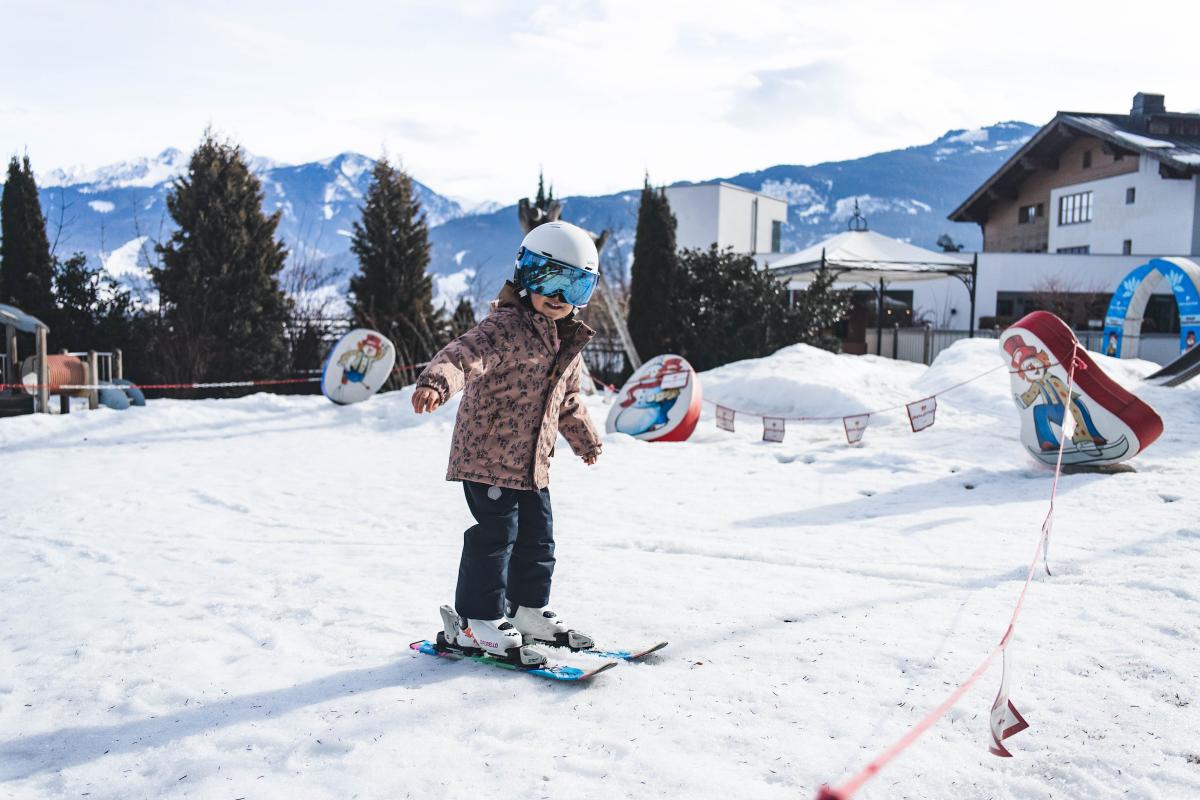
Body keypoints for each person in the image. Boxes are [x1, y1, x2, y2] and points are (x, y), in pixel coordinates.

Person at [411, 221, 604, 666]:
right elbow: (462, 355)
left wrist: (586, 440)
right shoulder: (504, 327)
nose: (558, 295)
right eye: (548, 279)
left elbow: (567, 399)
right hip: (487, 457)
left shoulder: (566, 341)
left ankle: (528, 609)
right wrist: (436, 383)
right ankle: (477, 619)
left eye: (574, 285)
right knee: (496, 536)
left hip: (532, 464)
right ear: (524, 275)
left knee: (538, 537)